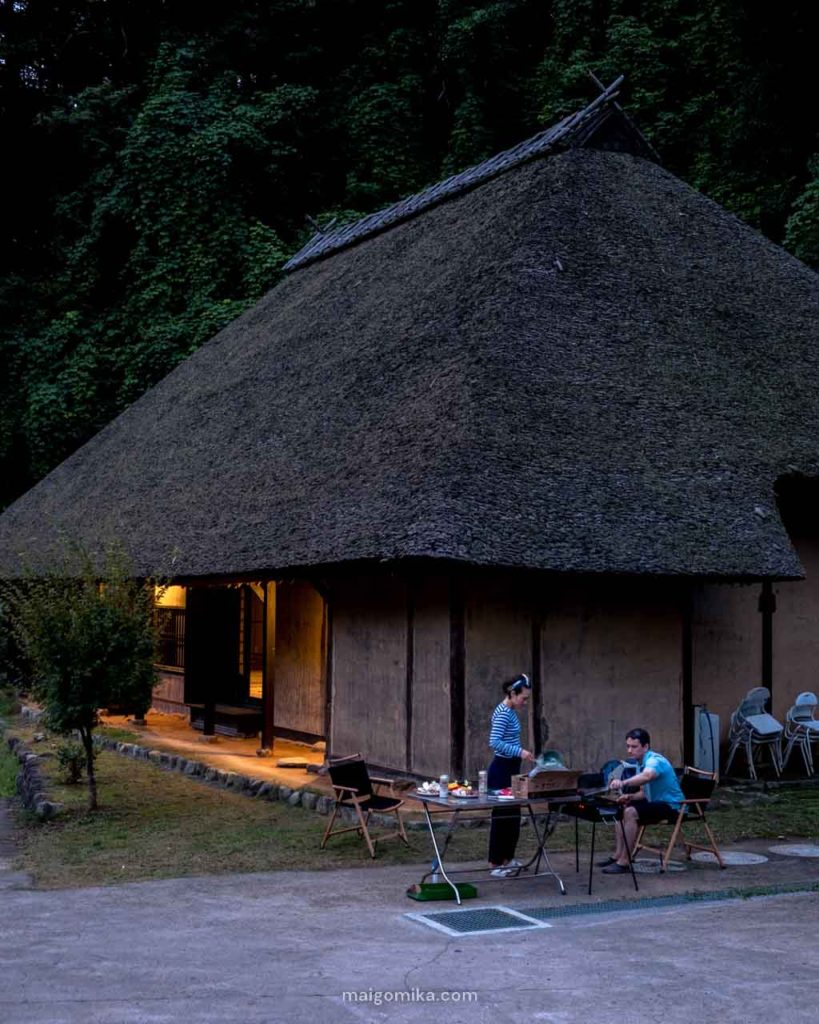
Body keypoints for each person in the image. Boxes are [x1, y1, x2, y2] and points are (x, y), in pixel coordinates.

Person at [600, 727, 684, 874]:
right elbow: (644, 793)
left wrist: (623, 783)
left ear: (645, 747)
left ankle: (625, 861)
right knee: (623, 807)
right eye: (628, 746)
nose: (629, 751)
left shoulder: (654, 760)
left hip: (672, 806)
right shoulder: (640, 763)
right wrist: (630, 797)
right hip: (656, 803)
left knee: (631, 812)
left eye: (634, 747)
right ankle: (618, 856)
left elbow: (647, 777)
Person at [487, 673, 534, 877]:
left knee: (514, 816)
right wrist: (520, 752)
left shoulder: (512, 711)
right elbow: (495, 742)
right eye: (523, 698)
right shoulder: (503, 712)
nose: (525, 702)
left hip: (512, 767)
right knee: (502, 816)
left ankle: (508, 858)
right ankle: (496, 863)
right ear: (512, 694)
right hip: (501, 769)